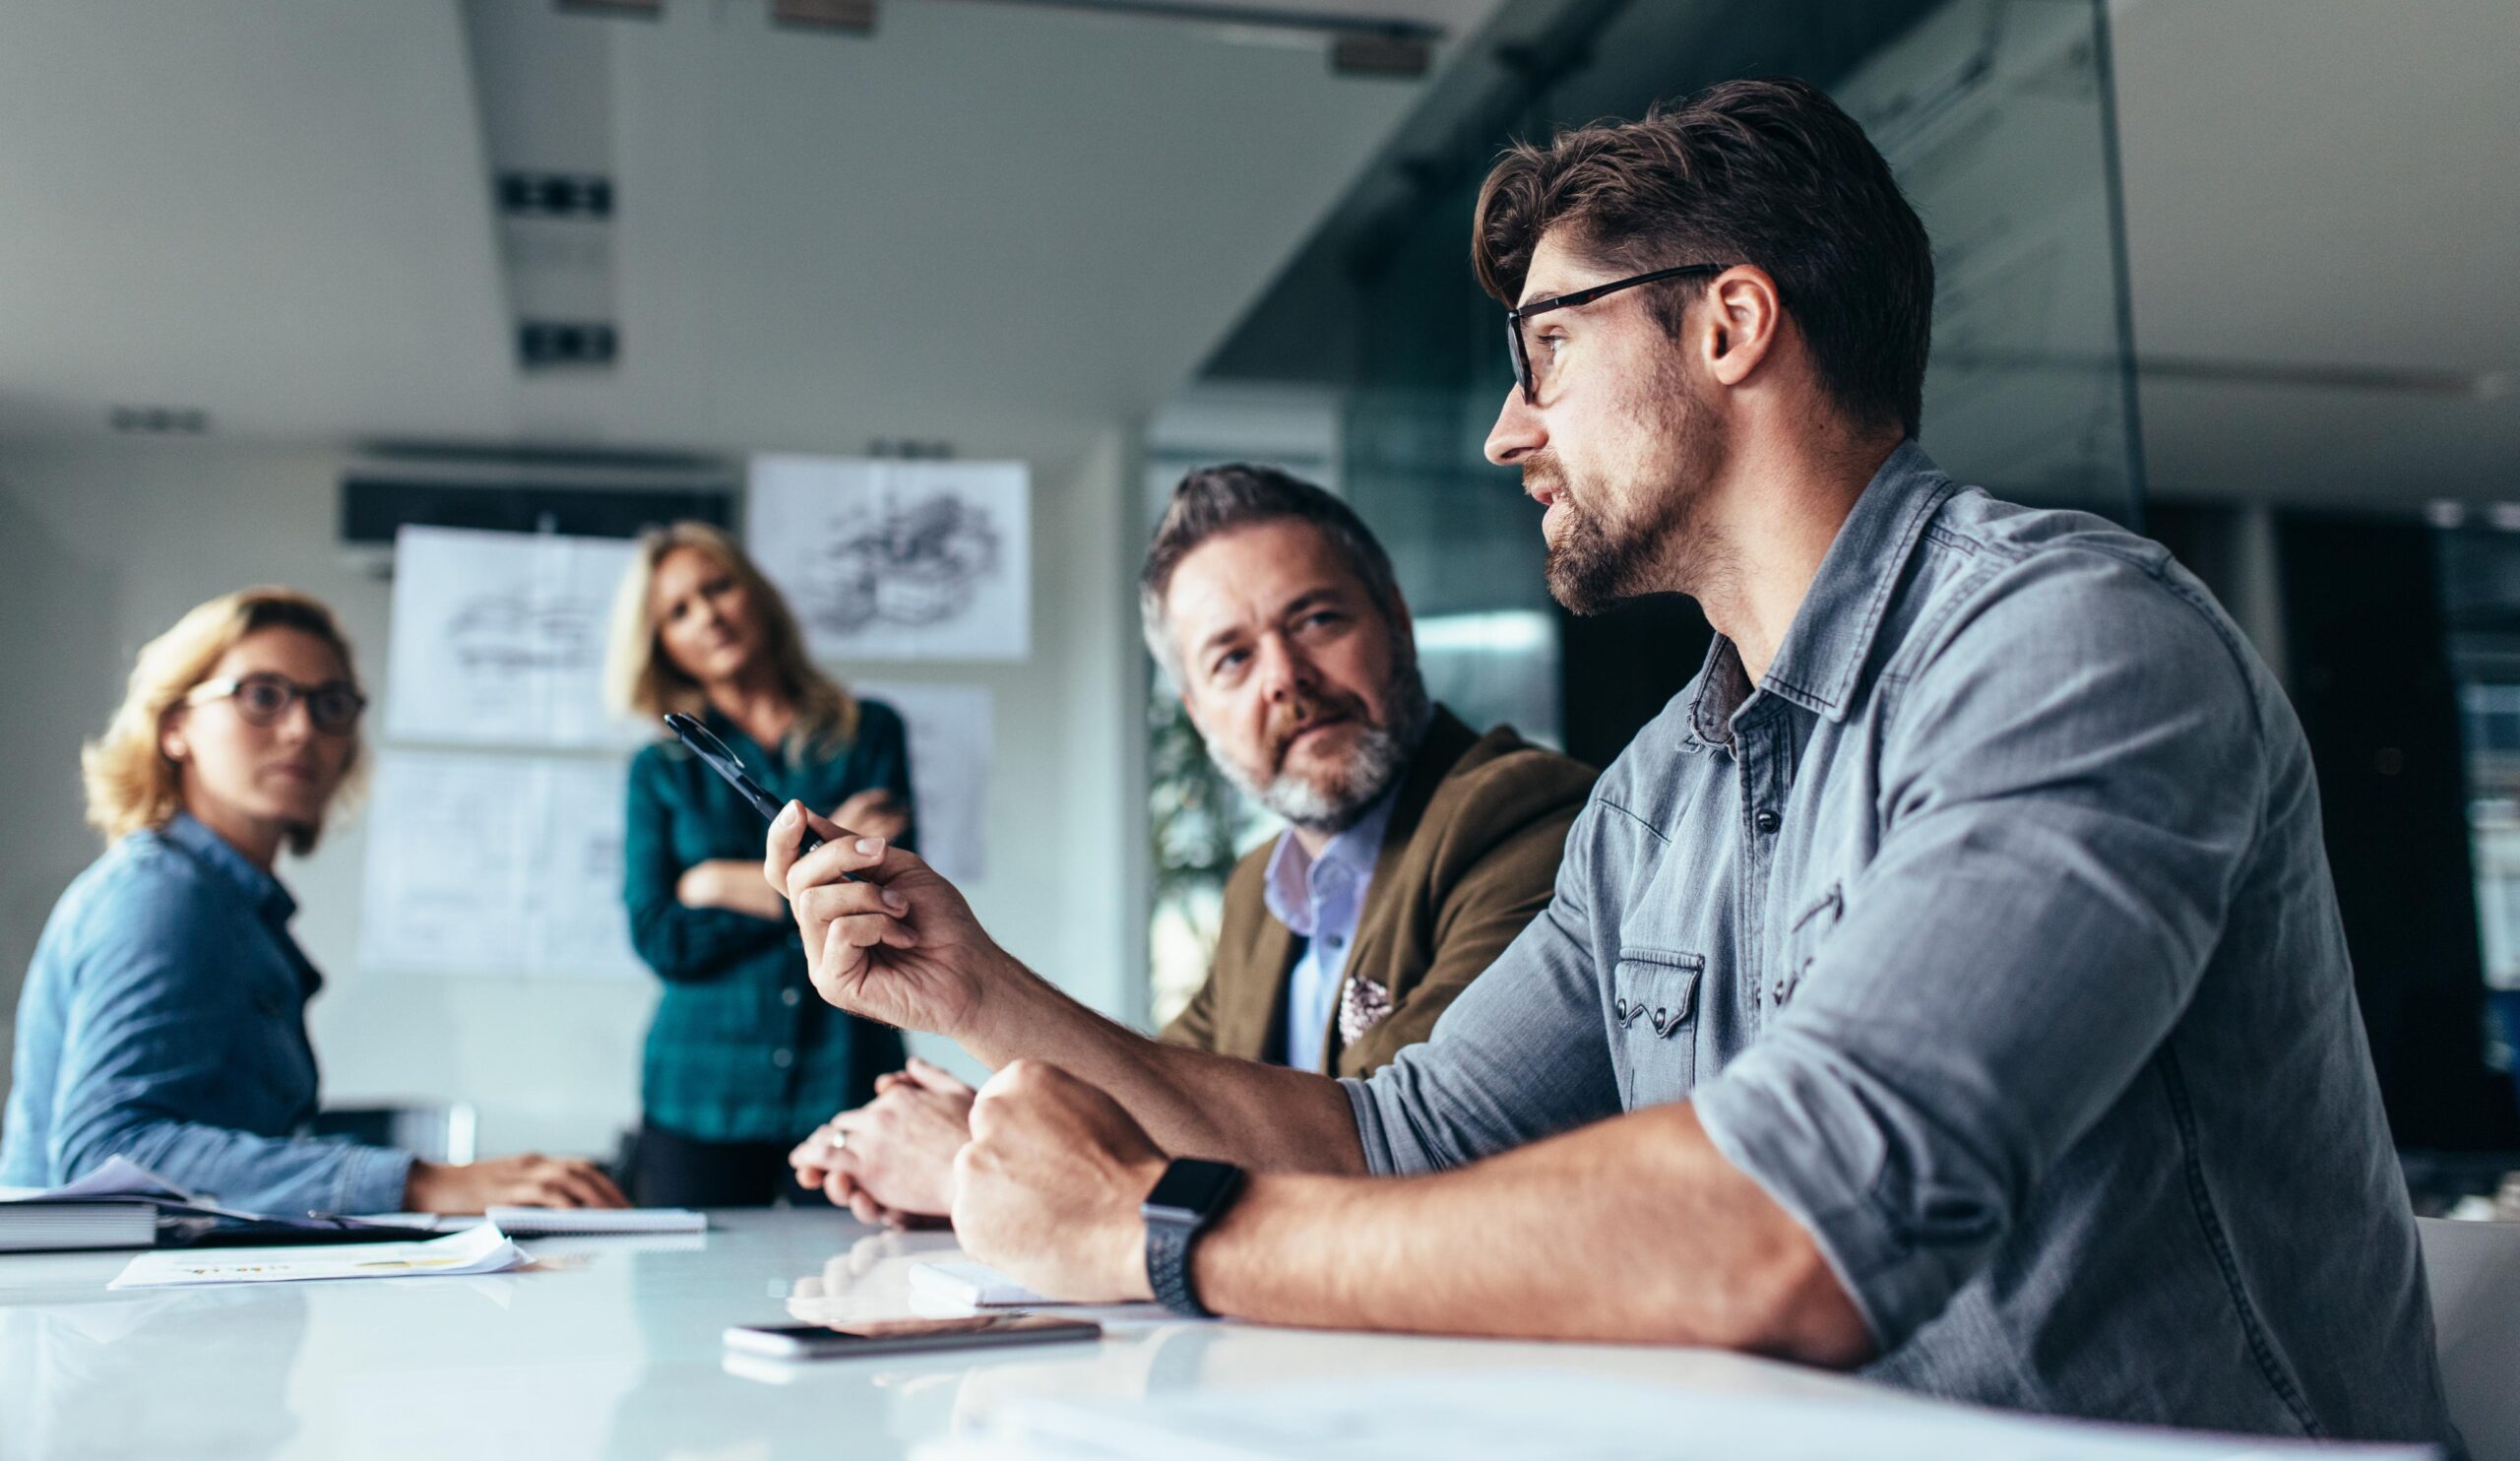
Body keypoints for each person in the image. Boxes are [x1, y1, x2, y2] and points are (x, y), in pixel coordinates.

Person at [766, 77, 2454, 1443]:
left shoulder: (2073, 646)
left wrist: (1154, 1226)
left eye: (1548, 347)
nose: (1510, 425)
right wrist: (975, 988)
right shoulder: (1663, 787)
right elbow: (1390, 1137)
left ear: (1731, 325)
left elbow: (1797, 1217)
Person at [788, 467, 1596, 1223]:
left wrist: (974, 1159)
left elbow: (1387, 1161)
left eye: (1316, 620)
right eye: (1232, 658)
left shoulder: (1525, 819)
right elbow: (1160, 1103)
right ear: (1197, 709)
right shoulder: (1260, 890)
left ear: (1396, 620)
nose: (1284, 677)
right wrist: (994, 1114)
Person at [0, 588, 624, 1214]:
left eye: (331, 706)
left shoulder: (234, 907)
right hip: (94, 1305)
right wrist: (420, 1182)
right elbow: (107, 1155)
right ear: (175, 726)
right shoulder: (162, 895)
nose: (302, 730)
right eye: (262, 696)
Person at [607, 522, 914, 1207]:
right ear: (662, 645)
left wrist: (714, 883)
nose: (708, 615)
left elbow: (885, 900)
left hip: (845, 1077)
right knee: (687, 1306)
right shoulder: (659, 772)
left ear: (756, 596)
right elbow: (660, 935)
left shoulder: (870, 733)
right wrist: (814, 883)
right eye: (679, 611)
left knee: (857, 1290)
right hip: (700, 1092)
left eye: (718, 588)